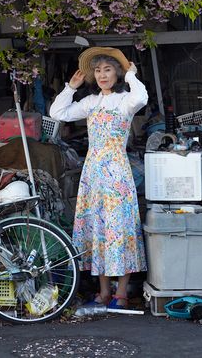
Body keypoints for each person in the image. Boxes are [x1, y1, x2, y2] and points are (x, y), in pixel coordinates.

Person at [49, 47, 148, 308]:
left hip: (116, 170)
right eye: (98, 70)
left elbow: (141, 98)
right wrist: (70, 88)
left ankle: (122, 292)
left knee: (119, 228)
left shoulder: (125, 99)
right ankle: (104, 291)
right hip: (93, 172)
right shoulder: (91, 102)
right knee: (98, 228)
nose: (102, 75)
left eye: (108, 70)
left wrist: (131, 75)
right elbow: (58, 114)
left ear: (117, 73)